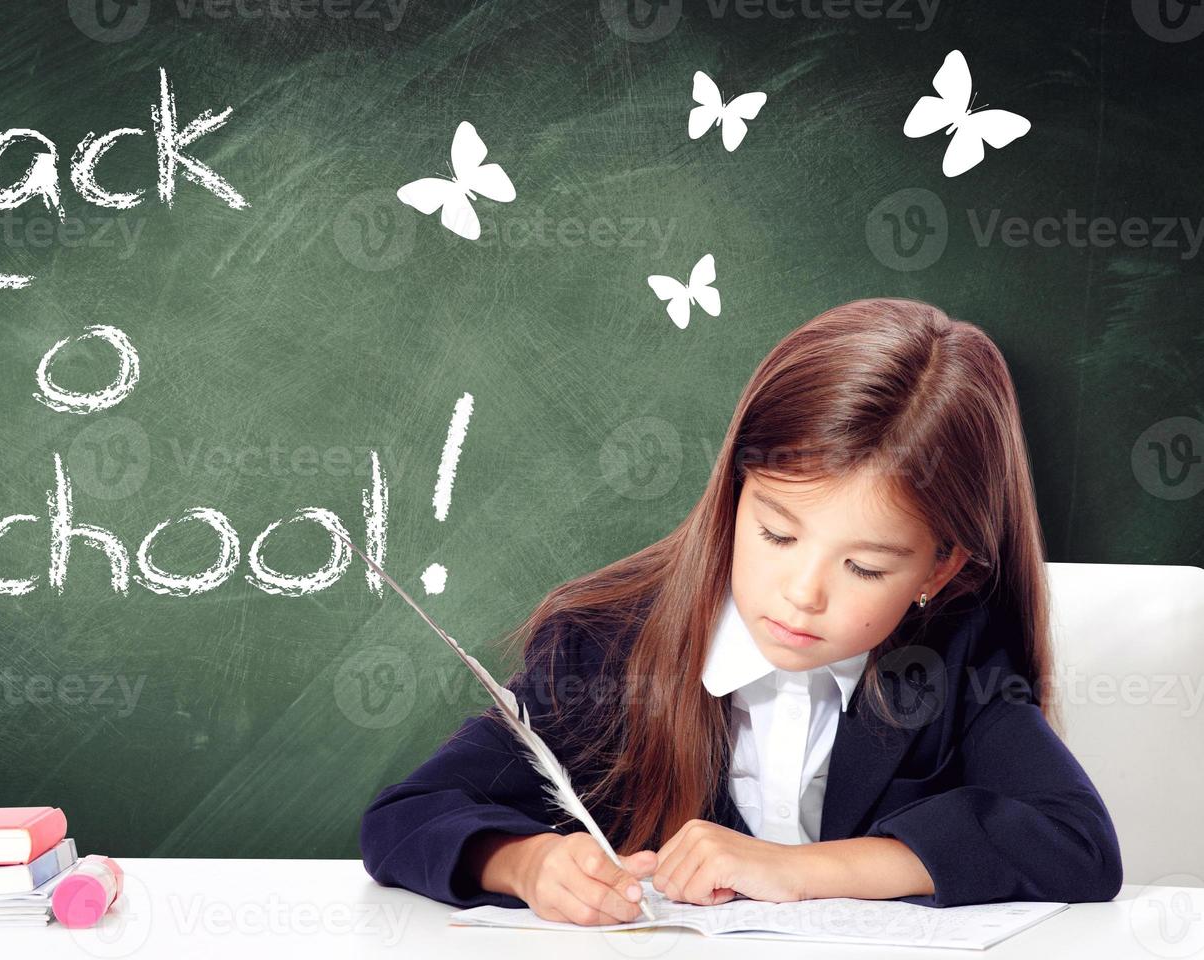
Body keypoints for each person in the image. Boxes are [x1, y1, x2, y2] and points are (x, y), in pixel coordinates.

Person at [359, 298, 1123, 925]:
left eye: (863, 566)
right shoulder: (601, 648)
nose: (803, 593)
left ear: (940, 568)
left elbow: (1076, 843)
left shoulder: (953, 658)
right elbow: (405, 816)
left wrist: (799, 871)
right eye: (776, 534)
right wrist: (525, 864)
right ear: (730, 497)